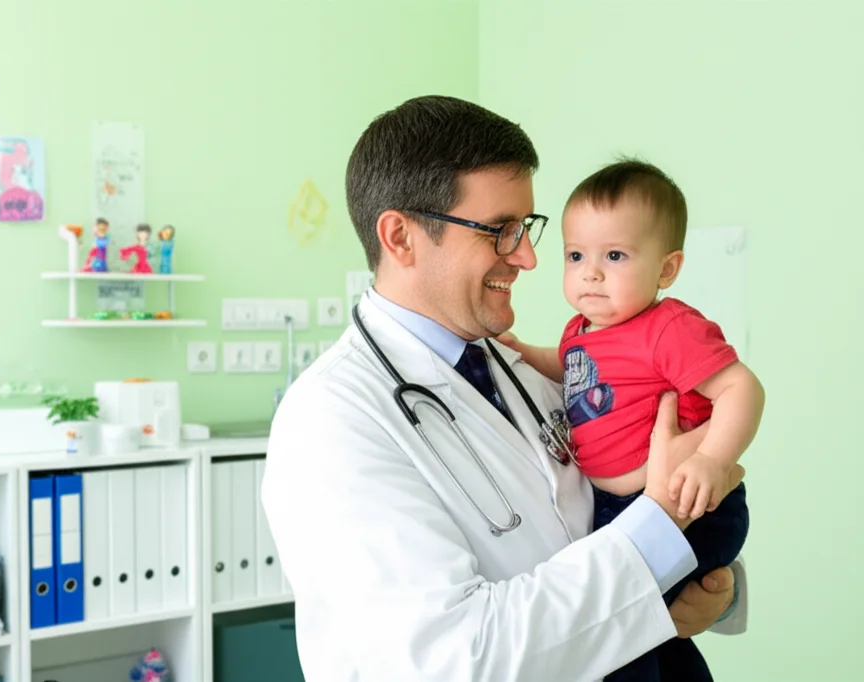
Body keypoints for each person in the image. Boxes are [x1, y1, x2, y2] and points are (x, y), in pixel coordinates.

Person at [261, 95, 748, 682]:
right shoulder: (330, 422)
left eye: (526, 227)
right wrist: (660, 527)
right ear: (401, 237)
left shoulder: (532, 367)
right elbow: (456, 660)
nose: (528, 257)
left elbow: (598, 524)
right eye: (500, 230)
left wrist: (712, 589)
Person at [498, 159, 763, 681]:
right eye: (576, 255)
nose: (590, 272)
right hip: (621, 509)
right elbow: (571, 366)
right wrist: (526, 352)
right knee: (635, 632)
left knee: (621, 636)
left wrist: (712, 459)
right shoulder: (582, 328)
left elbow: (741, 388)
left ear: (667, 269)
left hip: (693, 505)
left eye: (614, 255)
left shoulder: (668, 328)